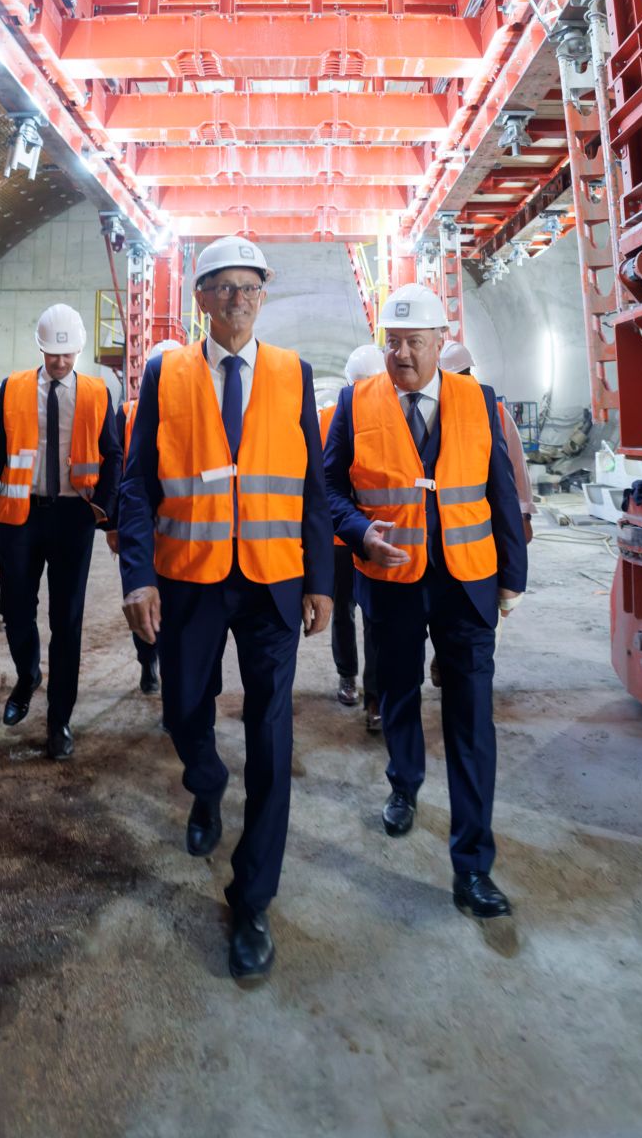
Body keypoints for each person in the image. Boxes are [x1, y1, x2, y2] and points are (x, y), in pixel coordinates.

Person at [117, 235, 333, 983]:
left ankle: (253, 899)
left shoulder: (292, 374)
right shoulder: (164, 372)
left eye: (250, 287)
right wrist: (136, 575)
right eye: (222, 287)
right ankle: (205, 784)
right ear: (200, 298)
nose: (237, 299)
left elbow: (310, 489)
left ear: (262, 296)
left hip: (273, 581)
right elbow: (136, 484)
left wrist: (322, 580)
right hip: (191, 577)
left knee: (272, 741)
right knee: (183, 711)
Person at [324, 283, 527, 920]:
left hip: (467, 583)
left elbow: (501, 491)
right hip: (393, 581)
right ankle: (404, 783)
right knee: (401, 694)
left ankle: (473, 867)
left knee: (472, 722)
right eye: (394, 341)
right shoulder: (356, 405)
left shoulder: (478, 400)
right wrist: (358, 533)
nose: (403, 352)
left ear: (442, 341)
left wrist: (514, 576)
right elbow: (326, 488)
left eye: (415, 341)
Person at [0, 303, 122, 761]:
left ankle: (60, 720)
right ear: (39, 347)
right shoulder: (13, 389)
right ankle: (27, 674)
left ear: (78, 350)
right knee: (15, 607)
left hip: (74, 517)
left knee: (67, 620)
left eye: (68, 355)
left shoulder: (97, 393)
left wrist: (107, 512)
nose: (59, 363)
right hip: (20, 515)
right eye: (52, 354)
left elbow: (113, 455)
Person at [431, 339, 534, 690]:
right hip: (456, 545)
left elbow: (511, 475)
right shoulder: (438, 410)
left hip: (481, 542)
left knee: (484, 625)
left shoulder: (488, 408)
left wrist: (523, 514)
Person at [323, 344, 384, 731]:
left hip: (373, 536)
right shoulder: (331, 416)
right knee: (359, 614)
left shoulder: (394, 413)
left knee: (357, 614)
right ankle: (365, 690)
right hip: (351, 537)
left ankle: (363, 687)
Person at [116, 338, 182, 698]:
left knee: (177, 611)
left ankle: (173, 680)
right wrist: (114, 526)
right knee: (142, 600)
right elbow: (121, 477)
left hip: (181, 532)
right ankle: (147, 662)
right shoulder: (127, 414)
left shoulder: (197, 412)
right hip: (142, 529)